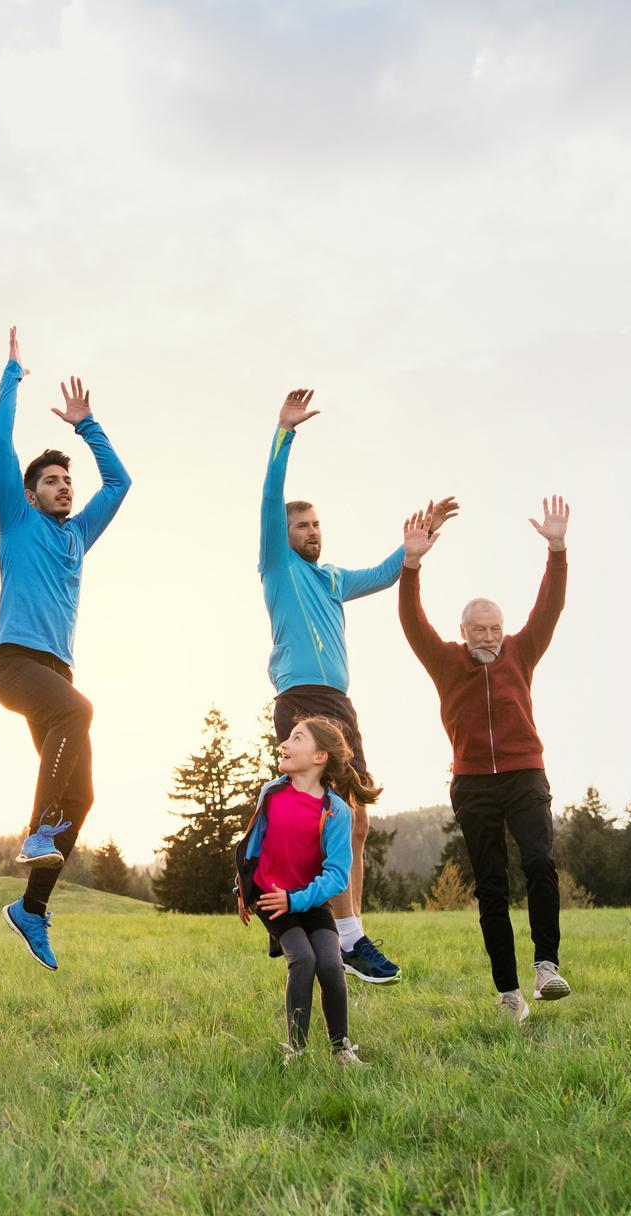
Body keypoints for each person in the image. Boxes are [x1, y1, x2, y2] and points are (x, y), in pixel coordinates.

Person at [259, 388, 443, 984]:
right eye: (302, 525)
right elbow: (269, 500)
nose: (312, 531)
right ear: (285, 534)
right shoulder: (279, 566)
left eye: (316, 524)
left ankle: (346, 931)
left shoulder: (333, 578)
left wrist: (411, 552)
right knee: (321, 816)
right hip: (301, 702)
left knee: (356, 820)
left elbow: (385, 573)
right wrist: (285, 433)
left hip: (340, 705)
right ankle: (334, 932)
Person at [0, 327, 132, 971]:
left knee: (86, 797)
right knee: (78, 712)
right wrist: (14, 374)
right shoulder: (16, 522)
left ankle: (32, 909)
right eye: (50, 480)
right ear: (29, 493)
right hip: (15, 663)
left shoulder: (78, 535)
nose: (62, 487)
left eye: (65, 481)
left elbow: (120, 483)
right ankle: (39, 826)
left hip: (57, 670)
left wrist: (88, 425)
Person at [398, 497, 572, 1023]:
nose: (490, 637)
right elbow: (412, 622)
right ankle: (508, 993)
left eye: (495, 627)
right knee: (491, 886)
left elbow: (550, 606)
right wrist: (411, 564)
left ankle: (546, 966)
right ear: (464, 632)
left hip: (525, 774)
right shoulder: (446, 661)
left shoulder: (522, 650)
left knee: (540, 862)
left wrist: (557, 549)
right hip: (472, 783)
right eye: (480, 629)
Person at [235, 717, 378, 1066]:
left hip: (310, 899)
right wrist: (241, 889)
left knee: (330, 964)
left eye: (296, 738)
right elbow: (251, 844)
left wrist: (297, 898)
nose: (284, 743)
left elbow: (336, 877)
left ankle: (342, 1049)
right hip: (271, 896)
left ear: (319, 757)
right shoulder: (272, 793)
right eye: (287, 737)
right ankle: (295, 1053)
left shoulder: (336, 811)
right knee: (304, 959)